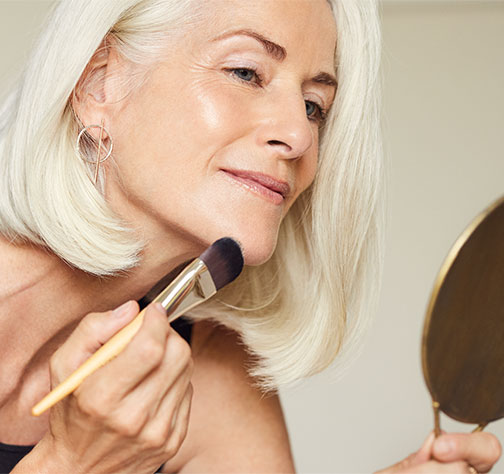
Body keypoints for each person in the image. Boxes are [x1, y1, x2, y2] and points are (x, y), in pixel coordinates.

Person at [0, 0, 500, 472]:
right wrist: (70, 463)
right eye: (245, 73)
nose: (299, 135)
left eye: (313, 105)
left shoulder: (211, 379)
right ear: (99, 83)